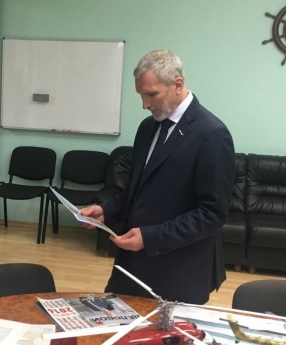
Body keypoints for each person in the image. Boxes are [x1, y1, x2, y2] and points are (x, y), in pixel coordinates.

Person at [79, 50, 235, 304]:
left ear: (177, 84)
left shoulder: (212, 134)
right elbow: (138, 189)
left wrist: (151, 238)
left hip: (178, 269)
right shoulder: (148, 127)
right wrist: (106, 211)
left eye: (151, 94)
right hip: (132, 265)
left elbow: (212, 214)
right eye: (141, 95)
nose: (145, 104)